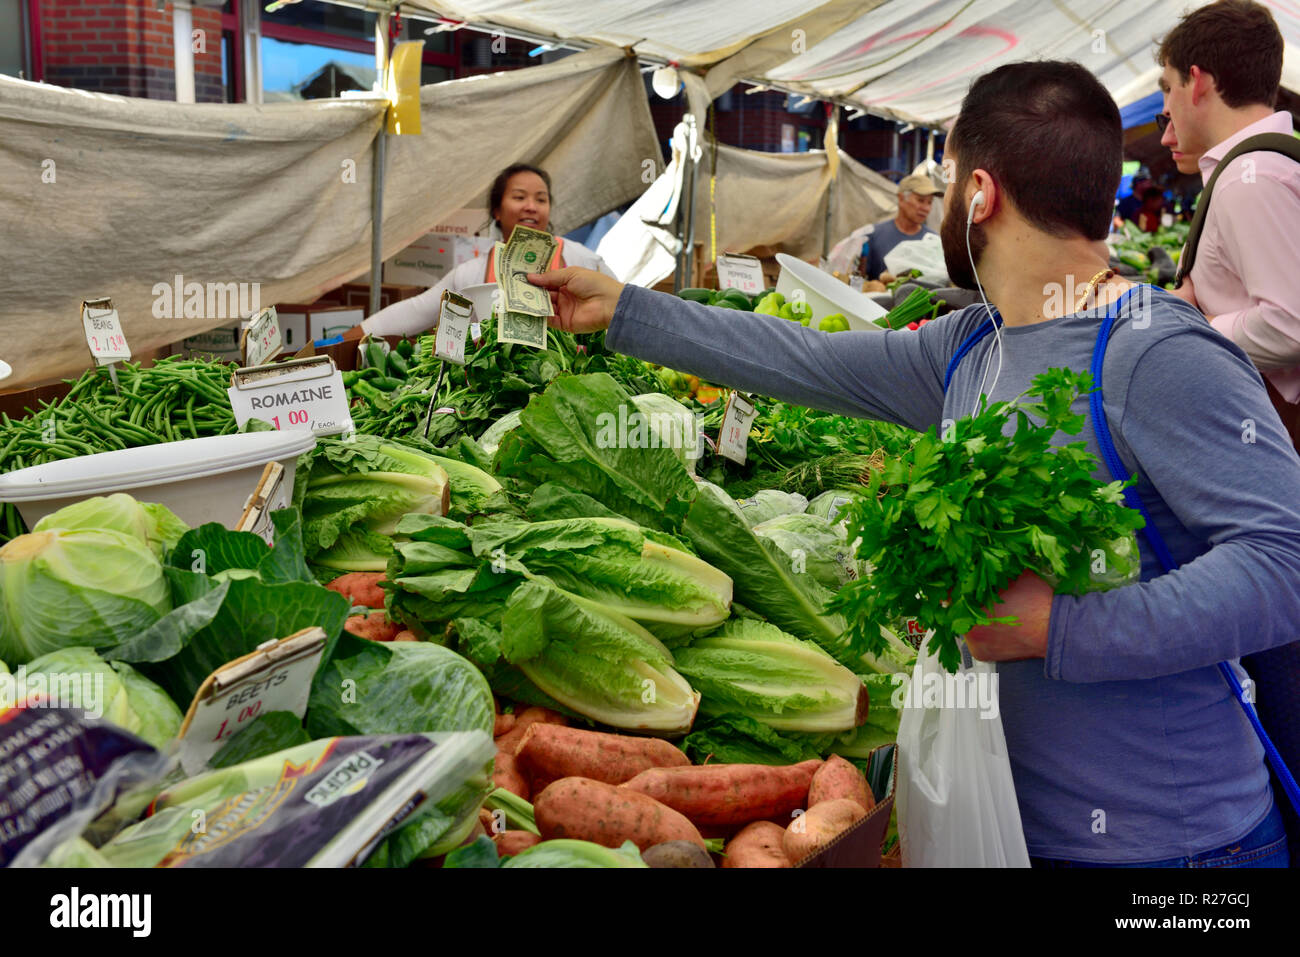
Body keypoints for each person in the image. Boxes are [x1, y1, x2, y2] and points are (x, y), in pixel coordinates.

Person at [526, 59, 1300, 867]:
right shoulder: (974, 345)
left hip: (1178, 853)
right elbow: (807, 359)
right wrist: (623, 309)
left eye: (950, 173)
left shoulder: (1158, 352)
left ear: (981, 195)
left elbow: (1285, 562)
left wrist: (1060, 626)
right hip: (1015, 831)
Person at [1157, 0, 1300, 442]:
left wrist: (1190, 325)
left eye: (1167, 88)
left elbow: (1290, 324)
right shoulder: (1260, 167)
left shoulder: (1249, 178)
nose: (1167, 110)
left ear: (1196, 82)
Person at [350, 163, 617, 338]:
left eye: (541, 199)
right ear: (497, 211)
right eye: (519, 197)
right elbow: (415, 311)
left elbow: (621, 305)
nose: (531, 207)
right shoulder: (471, 274)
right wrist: (345, 339)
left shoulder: (582, 260)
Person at [827, 173, 942, 280]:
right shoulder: (873, 236)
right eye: (920, 200)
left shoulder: (933, 241)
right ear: (901, 199)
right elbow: (859, 279)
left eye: (930, 202)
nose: (926, 208)